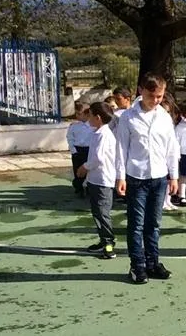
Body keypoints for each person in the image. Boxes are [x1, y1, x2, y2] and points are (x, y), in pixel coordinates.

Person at [114, 72, 180, 285]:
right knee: (136, 224)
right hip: (136, 177)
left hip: (159, 177)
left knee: (154, 223)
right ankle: (137, 265)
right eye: (152, 96)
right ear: (141, 91)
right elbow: (121, 148)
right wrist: (120, 176)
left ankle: (153, 262)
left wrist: (174, 176)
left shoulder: (164, 116)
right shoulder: (128, 117)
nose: (156, 100)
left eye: (160, 96)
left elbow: (171, 147)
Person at [76, 101, 117, 259]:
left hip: (102, 181)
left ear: (98, 118)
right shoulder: (98, 132)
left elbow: (98, 158)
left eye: (91, 115)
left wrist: (84, 168)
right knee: (98, 212)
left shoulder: (104, 135)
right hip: (96, 179)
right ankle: (103, 240)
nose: (89, 118)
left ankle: (108, 245)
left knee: (102, 213)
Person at [66, 101, 94, 197]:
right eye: (76, 113)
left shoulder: (93, 126)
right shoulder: (74, 126)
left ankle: (89, 188)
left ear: (87, 114)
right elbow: (70, 138)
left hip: (90, 150)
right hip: (78, 151)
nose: (77, 116)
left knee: (90, 171)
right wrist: (74, 151)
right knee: (77, 170)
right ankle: (79, 188)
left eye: (79, 113)